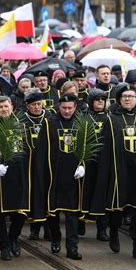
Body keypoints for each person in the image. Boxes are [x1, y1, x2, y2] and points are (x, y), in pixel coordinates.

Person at [89, 83, 136, 260]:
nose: (127, 99)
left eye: (131, 97)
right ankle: (114, 232)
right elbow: (103, 147)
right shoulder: (111, 120)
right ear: (119, 100)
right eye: (124, 97)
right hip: (119, 172)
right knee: (117, 210)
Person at [36, 94, 84, 260]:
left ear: (75, 107)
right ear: (59, 107)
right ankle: (55, 237)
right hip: (53, 175)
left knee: (72, 214)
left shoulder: (82, 122)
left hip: (73, 176)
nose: (67, 111)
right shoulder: (49, 123)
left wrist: (83, 164)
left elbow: (88, 147)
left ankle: (72, 248)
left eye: (70, 108)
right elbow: (41, 150)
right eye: (64, 108)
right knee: (53, 213)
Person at [0, 96, 29, 261]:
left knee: (21, 213)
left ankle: (14, 237)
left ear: (12, 107)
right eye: (0, 107)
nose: (4, 110)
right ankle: (4, 245)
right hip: (0, 177)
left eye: (6, 106)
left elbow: (28, 149)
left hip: (19, 174)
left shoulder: (21, 126)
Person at [20, 89, 53, 242]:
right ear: (28, 106)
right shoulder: (22, 120)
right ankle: (34, 228)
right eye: (33, 105)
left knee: (46, 196)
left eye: (39, 104)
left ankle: (48, 228)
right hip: (29, 165)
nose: (37, 107)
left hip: (46, 164)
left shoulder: (49, 118)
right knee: (33, 197)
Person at [81, 89, 110, 242]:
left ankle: (102, 229)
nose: (100, 102)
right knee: (83, 191)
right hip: (87, 161)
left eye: (102, 99)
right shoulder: (84, 117)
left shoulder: (109, 118)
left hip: (103, 161)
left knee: (102, 194)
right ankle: (80, 222)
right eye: (97, 99)